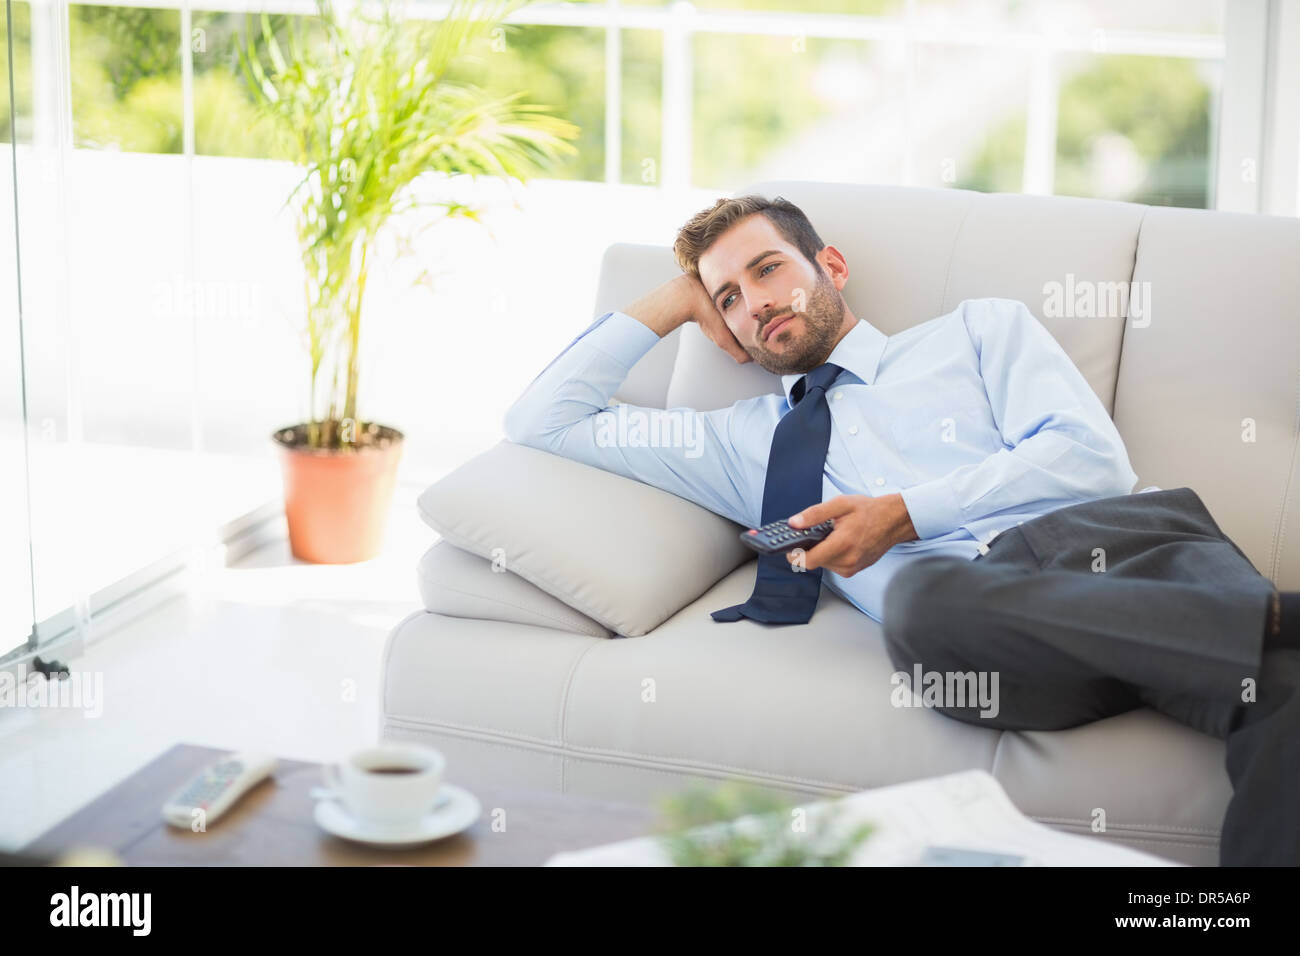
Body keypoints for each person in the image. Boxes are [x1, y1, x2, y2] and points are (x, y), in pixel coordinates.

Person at [503, 194, 1299, 866]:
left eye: (768, 268)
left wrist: (906, 513)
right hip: (995, 641)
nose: (755, 302)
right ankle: (1276, 618)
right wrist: (676, 298)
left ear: (832, 268)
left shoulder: (976, 332)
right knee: (924, 601)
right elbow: (544, 418)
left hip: (1127, 546)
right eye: (729, 300)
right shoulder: (736, 443)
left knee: (1285, 707)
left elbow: (1085, 458)